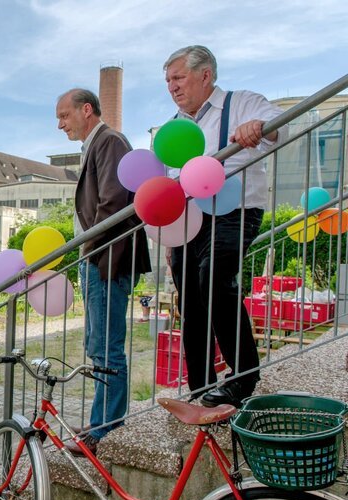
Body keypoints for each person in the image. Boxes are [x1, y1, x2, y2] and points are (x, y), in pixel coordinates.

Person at [163, 45, 285, 407]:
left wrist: (259, 128)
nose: (172, 86)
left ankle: (243, 376)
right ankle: (201, 385)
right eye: (168, 80)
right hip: (189, 219)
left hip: (235, 209)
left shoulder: (241, 103)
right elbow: (171, 180)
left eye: (178, 77)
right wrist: (170, 236)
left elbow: (281, 123)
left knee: (214, 277)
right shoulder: (175, 126)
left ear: (205, 75)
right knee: (190, 297)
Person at [55, 88, 151, 455]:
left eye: (64, 116)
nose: (60, 124)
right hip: (97, 259)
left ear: (86, 110)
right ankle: (101, 421)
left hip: (106, 260)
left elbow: (112, 201)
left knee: (107, 347)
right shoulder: (96, 145)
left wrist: (88, 248)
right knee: (97, 345)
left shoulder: (109, 141)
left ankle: (106, 429)